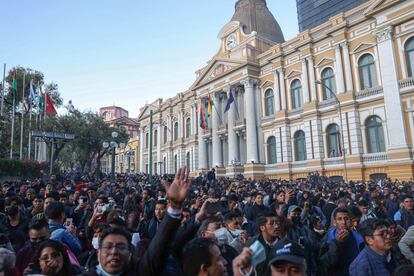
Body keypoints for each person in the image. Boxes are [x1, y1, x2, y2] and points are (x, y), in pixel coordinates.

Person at [81, 166, 191, 276]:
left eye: (121, 247)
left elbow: (159, 246)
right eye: (108, 247)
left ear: (130, 253)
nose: (114, 252)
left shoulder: (140, 272)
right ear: (98, 253)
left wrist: (175, 208)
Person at [319, 207, 364, 276]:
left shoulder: (359, 237)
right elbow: (324, 263)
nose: (344, 222)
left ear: (350, 221)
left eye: (346, 218)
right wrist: (336, 243)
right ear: (334, 222)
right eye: (339, 219)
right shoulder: (328, 238)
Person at [246, 212, 279, 276]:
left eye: (277, 223)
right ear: (262, 228)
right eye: (272, 223)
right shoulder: (252, 245)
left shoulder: (284, 244)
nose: (276, 226)